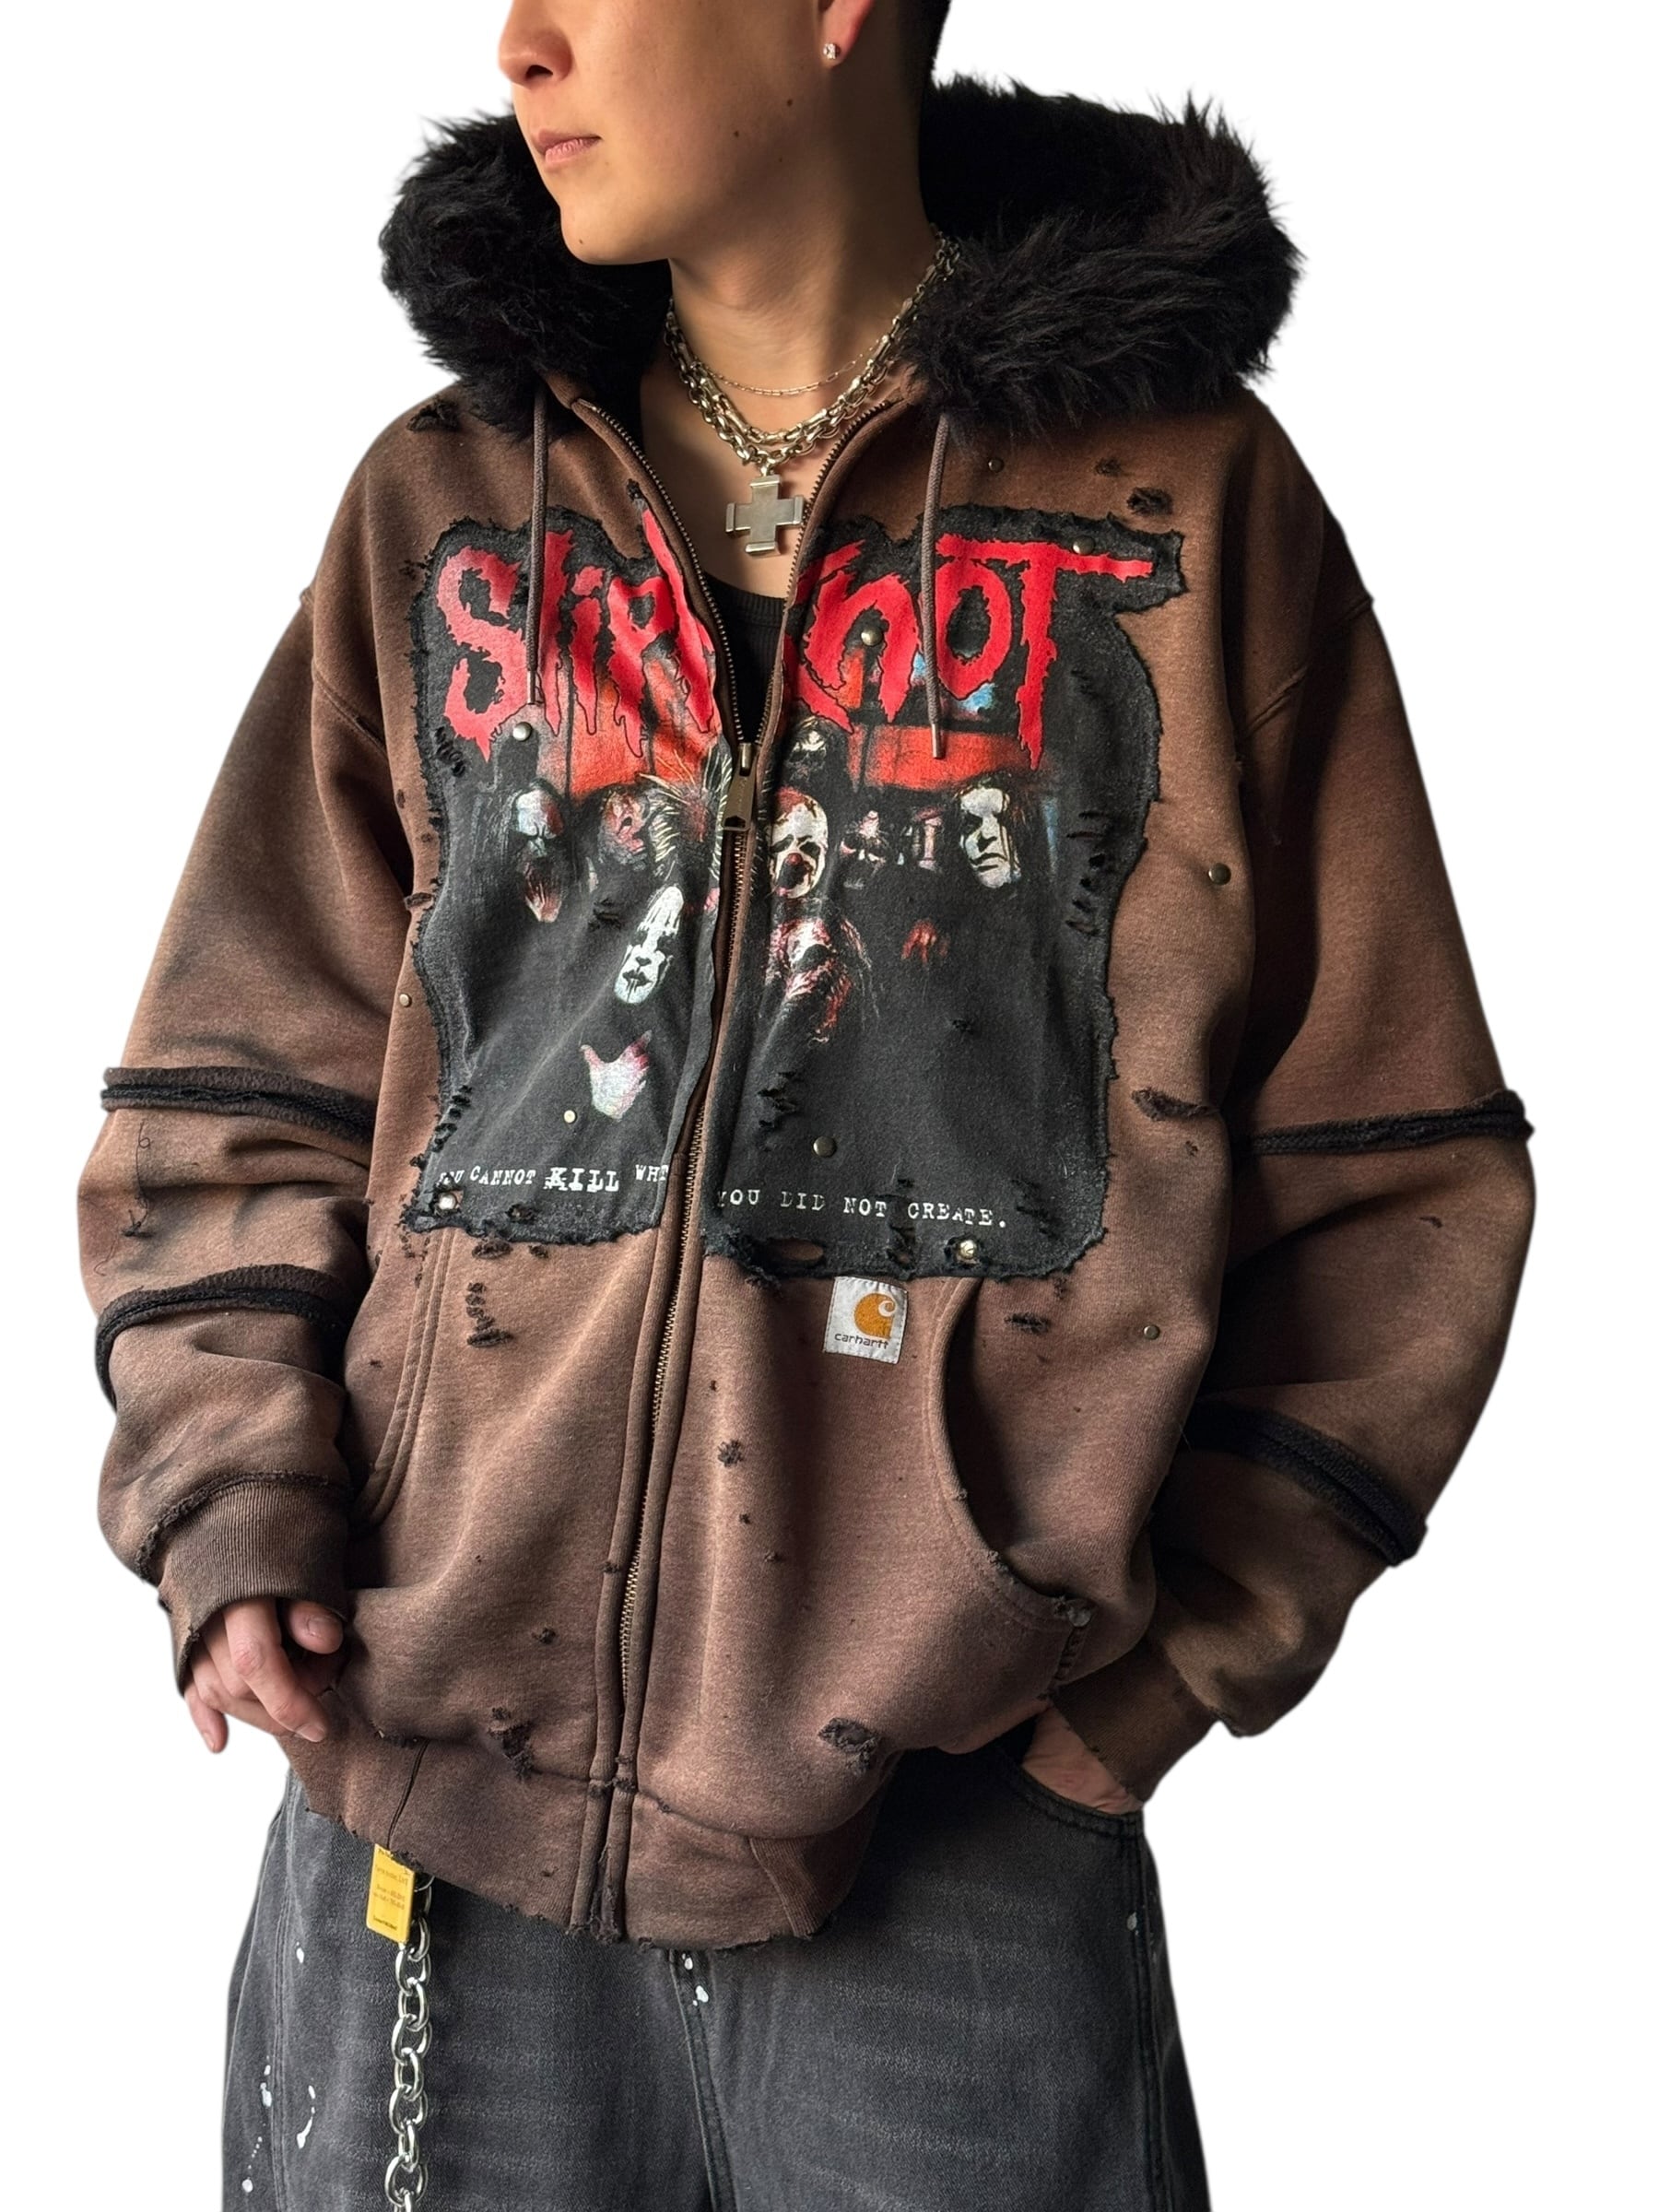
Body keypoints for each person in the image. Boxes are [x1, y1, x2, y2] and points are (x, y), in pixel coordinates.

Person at [76, 1, 1536, 2205]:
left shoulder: (1186, 510)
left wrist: (1141, 1691)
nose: (522, 41)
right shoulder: (445, 503)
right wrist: (232, 1507)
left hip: (955, 1845)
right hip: (423, 1796)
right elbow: (246, 1081)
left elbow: (1391, 1168)